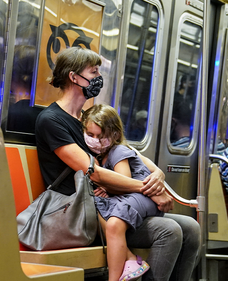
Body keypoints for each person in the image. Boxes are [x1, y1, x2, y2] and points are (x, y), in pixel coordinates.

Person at [35, 47, 200, 281]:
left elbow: (131, 152)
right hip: (82, 210)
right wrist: (149, 190)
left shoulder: (86, 118)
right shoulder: (52, 120)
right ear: (74, 77)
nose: (98, 78)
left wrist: (159, 175)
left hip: (110, 202)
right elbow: (94, 174)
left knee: (191, 228)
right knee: (169, 231)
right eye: (93, 72)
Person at [81, 104, 163, 281]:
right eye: (90, 135)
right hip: (134, 196)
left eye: (101, 136)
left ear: (115, 135)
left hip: (142, 196)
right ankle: (130, 260)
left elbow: (123, 180)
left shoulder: (118, 151)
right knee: (95, 203)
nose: (95, 140)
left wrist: (106, 186)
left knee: (114, 224)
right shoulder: (99, 155)